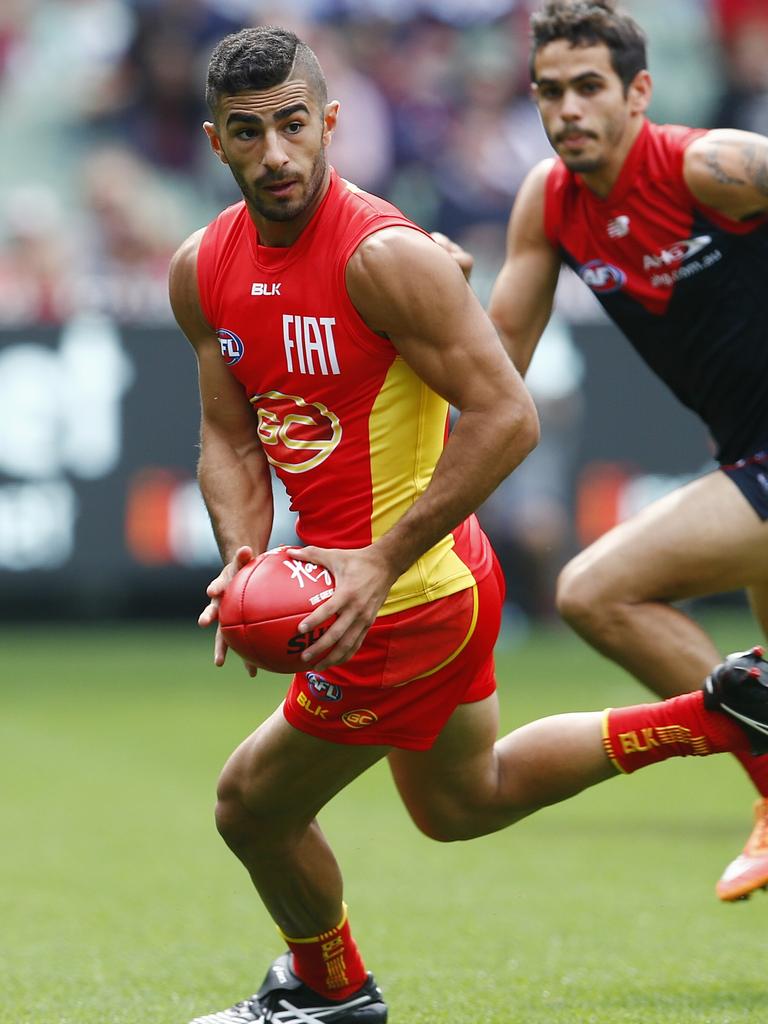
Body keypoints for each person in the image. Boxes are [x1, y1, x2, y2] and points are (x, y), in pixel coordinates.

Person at [169, 26, 768, 1024]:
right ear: (215, 141)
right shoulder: (202, 269)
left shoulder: (383, 257)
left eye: (289, 127)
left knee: (250, 806)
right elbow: (228, 438)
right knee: (463, 801)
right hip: (405, 583)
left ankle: (328, 993)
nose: (274, 154)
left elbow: (508, 416)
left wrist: (375, 565)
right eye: (246, 132)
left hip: (401, 600)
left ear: (328, 124)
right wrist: (242, 555)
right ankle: (716, 712)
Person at [437, 0, 768, 904]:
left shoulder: (713, 165)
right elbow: (498, 366)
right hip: (746, 451)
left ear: (640, 94)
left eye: (590, 87)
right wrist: (433, 300)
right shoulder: (551, 202)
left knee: (593, 589)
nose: (568, 110)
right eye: (550, 92)